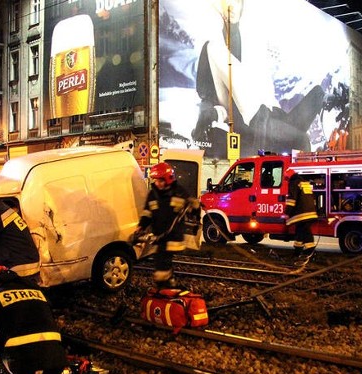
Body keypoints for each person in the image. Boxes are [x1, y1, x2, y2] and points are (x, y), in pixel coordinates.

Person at [192, 0, 325, 157]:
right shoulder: (213, 49)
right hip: (249, 122)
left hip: (274, 117)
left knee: (318, 94)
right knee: (300, 138)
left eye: (236, 2)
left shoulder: (255, 46)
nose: (232, 6)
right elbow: (208, 96)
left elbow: (267, 92)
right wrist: (214, 113)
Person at [134, 162, 200, 289]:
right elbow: (147, 213)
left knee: (162, 261)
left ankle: (165, 286)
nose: (158, 183)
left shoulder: (179, 192)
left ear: (168, 178)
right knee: (162, 261)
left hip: (173, 235)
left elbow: (193, 211)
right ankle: (168, 284)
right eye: (156, 180)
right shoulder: (153, 194)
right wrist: (141, 226)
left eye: (160, 180)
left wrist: (195, 205)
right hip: (160, 235)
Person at [284, 167, 318, 267]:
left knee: (305, 232)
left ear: (289, 176)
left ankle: (310, 251)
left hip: (301, 214)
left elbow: (291, 200)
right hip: (310, 211)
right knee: (299, 232)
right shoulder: (305, 183)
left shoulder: (293, 183)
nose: (286, 180)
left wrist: (287, 213)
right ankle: (297, 251)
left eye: (286, 178)